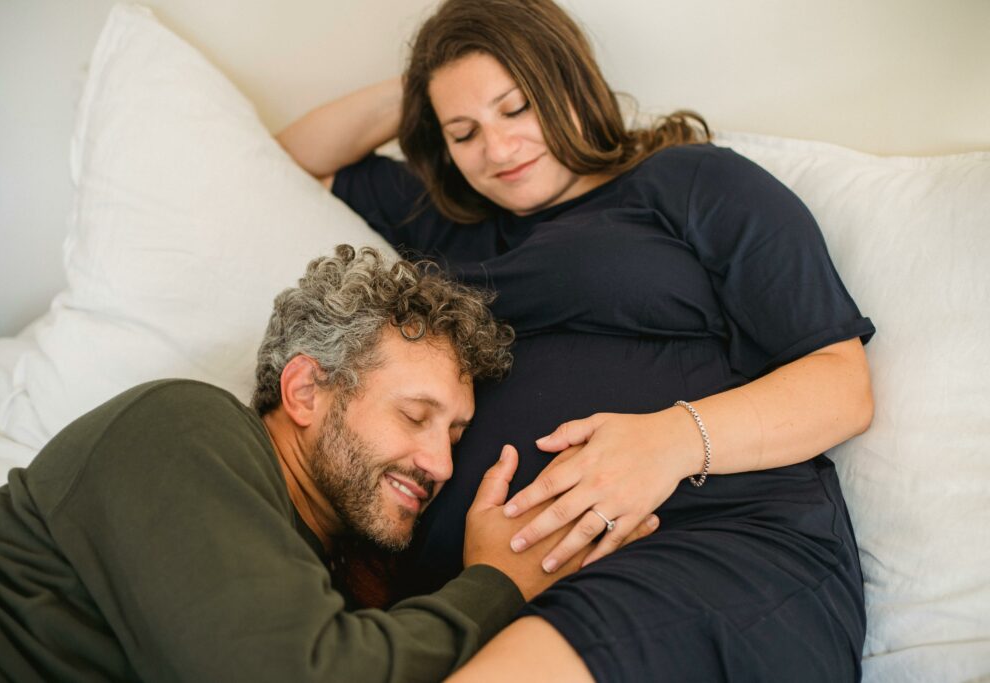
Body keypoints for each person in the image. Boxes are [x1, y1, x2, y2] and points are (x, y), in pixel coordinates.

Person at [278, 0, 876, 680]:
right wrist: (426, 84)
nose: (498, 149)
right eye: (464, 131)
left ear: (567, 81)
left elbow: (841, 384)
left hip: (707, 545)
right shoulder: (448, 231)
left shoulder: (692, 181)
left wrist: (670, 440)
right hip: (493, 593)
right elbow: (286, 159)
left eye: (516, 106)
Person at [0, 246, 625, 682]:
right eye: (415, 414)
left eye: (455, 433)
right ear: (306, 389)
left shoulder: (322, 570)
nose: (441, 463)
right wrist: (493, 581)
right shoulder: (184, 427)